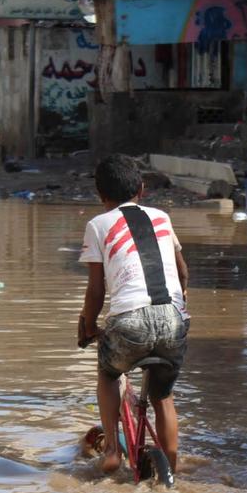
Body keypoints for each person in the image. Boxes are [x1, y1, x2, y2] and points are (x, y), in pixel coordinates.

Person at [77, 154, 190, 475]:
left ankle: (111, 449)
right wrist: (181, 311)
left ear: (100, 196)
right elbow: (183, 273)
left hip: (129, 323)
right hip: (173, 319)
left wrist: (88, 326)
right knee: (163, 396)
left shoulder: (97, 225)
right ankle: (172, 466)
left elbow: (96, 291)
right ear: (142, 189)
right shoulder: (162, 218)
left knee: (108, 373)